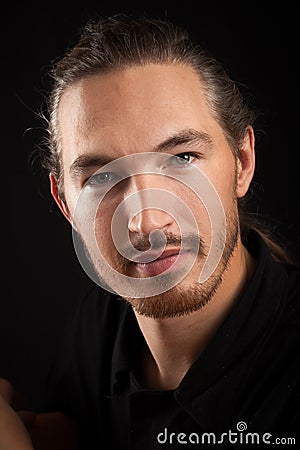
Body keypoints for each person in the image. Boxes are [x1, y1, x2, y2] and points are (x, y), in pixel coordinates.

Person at [1, 13, 299, 449]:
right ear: (66, 204)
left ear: (242, 162)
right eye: (101, 177)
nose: (146, 222)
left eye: (182, 158)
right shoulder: (101, 325)